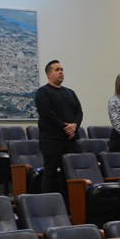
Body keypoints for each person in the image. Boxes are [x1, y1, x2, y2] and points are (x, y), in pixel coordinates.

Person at [35, 59, 83, 197]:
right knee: (50, 173)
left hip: (70, 139)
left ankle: (68, 203)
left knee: (69, 173)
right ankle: (48, 202)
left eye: (62, 69)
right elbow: (47, 114)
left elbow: (79, 112)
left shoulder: (70, 92)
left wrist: (75, 126)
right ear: (49, 74)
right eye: (57, 70)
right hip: (52, 140)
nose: (61, 72)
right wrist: (66, 127)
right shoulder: (43, 92)